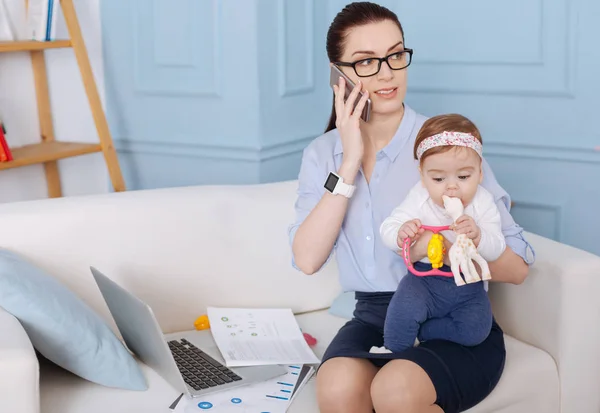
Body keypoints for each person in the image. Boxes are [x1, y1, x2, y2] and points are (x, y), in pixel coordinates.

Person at [288, 2, 535, 413]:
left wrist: (446, 243)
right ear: (338, 74)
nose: (387, 73)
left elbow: (519, 267)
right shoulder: (322, 155)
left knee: (396, 388)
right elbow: (308, 258)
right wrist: (349, 162)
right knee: (334, 387)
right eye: (366, 61)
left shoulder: (447, 146)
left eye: (395, 55)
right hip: (373, 316)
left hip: (454, 314)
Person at [373, 114, 506, 356]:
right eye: (438, 178)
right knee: (402, 312)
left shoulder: (483, 202)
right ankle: (394, 350)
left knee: (476, 330)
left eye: (464, 177)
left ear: (480, 174)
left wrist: (478, 236)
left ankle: (426, 332)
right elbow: (387, 228)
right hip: (424, 281)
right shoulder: (419, 198)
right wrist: (401, 233)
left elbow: (496, 247)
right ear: (423, 176)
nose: (452, 187)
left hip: (468, 285)